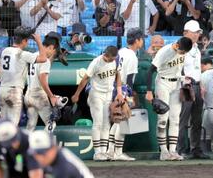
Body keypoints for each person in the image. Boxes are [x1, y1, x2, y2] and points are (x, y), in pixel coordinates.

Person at [71, 46, 123, 161]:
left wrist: (119, 92)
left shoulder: (116, 60)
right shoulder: (96, 62)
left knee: (106, 123)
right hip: (96, 94)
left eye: (113, 59)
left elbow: (118, 75)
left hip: (108, 94)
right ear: (106, 54)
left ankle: (104, 152)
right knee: (98, 122)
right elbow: (85, 79)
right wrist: (77, 94)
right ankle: (97, 152)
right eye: (110, 58)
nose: (112, 60)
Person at [145, 37, 193, 161]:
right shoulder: (164, 52)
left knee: (175, 118)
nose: (183, 54)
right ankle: (164, 151)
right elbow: (150, 71)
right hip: (163, 83)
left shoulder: (183, 50)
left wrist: (184, 78)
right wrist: (149, 91)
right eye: (182, 51)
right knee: (163, 119)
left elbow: (179, 67)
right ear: (177, 45)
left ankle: (172, 150)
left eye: (185, 52)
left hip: (176, 83)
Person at [107, 28, 144, 161]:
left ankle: (111, 151)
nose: (143, 41)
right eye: (141, 39)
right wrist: (128, 95)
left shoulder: (121, 51)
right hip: (122, 88)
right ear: (137, 40)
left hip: (112, 87)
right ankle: (118, 152)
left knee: (116, 121)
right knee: (121, 121)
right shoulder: (133, 56)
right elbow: (129, 79)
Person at [0, 27, 47, 125]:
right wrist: (38, 41)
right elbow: (43, 58)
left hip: (2, 89)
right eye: (27, 40)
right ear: (24, 41)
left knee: (3, 125)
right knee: (12, 126)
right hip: (14, 91)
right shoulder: (22, 54)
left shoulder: (4, 51)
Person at [177, 20, 209, 159]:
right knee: (183, 119)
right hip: (186, 86)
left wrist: (201, 85)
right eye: (195, 32)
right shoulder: (180, 48)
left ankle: (195, 149)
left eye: (198, 32)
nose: (197, 35)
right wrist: (185, 80)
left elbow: (197, 69)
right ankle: (180, 150)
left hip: (196, 85)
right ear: (186, 33)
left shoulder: (196, 48)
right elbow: (178, 68)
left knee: (197, 120)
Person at [25, 33, 61, 131]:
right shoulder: (45, 60)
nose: (52, 53)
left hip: (28, 94)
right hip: (38, 95)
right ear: (51, 47)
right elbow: (42, 79)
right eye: (53, 50)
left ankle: (26, 146)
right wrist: (51, 96)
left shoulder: (33, 56)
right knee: (51, 124)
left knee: (31, 125)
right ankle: (43, 145)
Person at [28, 130, 94, 178]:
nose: (40, 157)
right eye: (36, 153)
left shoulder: (65, 167)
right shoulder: (46, 158)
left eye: (43, 153)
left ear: (53, 149)